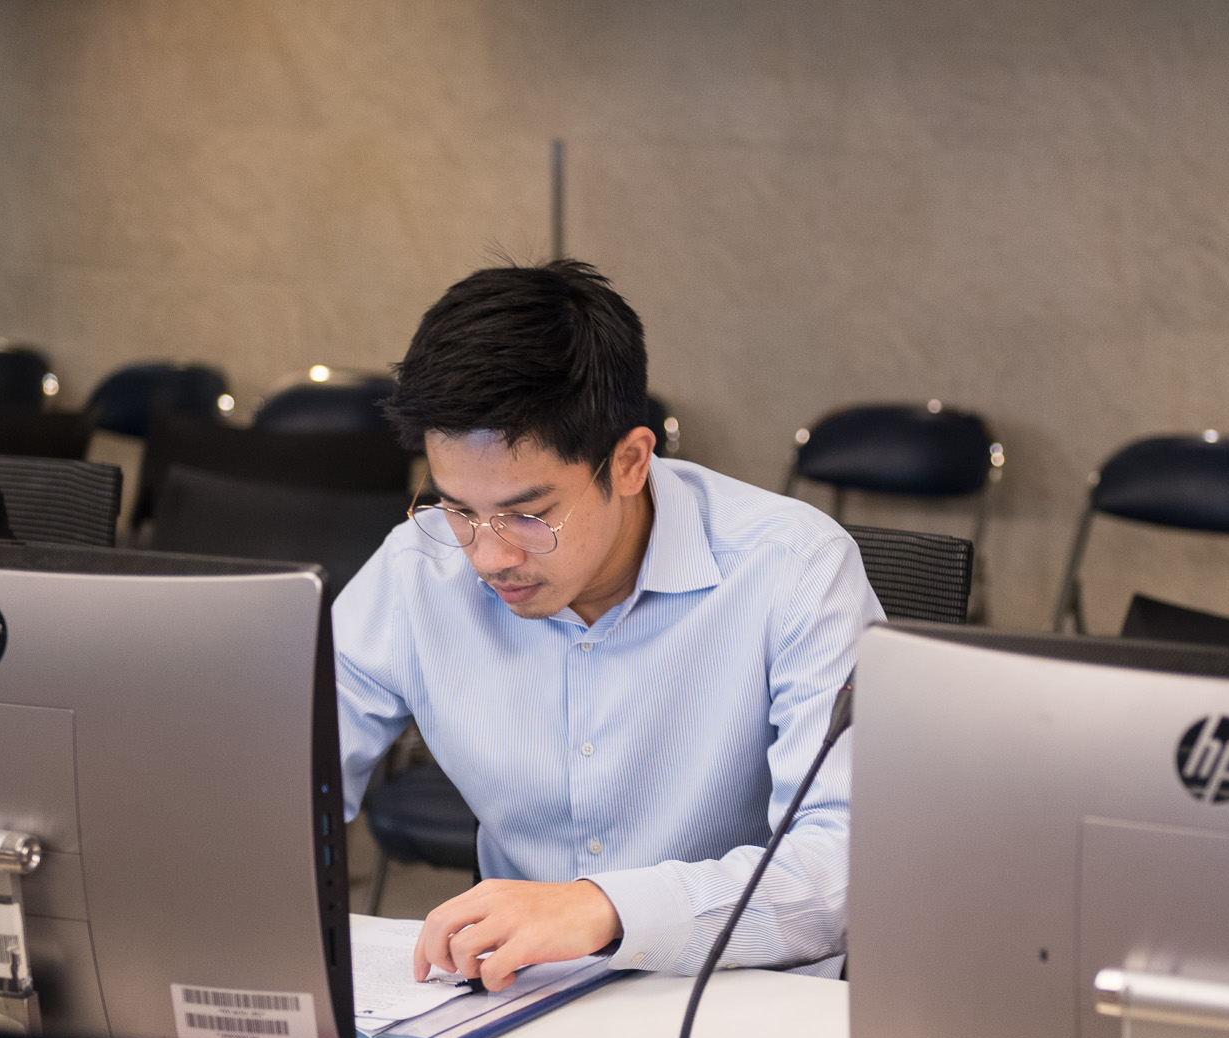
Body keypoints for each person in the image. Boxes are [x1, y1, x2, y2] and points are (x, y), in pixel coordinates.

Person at [334, 260, 881, 990]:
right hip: (513, 996)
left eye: (529, 515)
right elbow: (280, 783)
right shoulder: (417, 569)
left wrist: (608, 908)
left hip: (732, 999)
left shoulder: (794, 568)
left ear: (629, 462)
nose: (489, 557)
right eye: (459, 510)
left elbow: (843, 868)